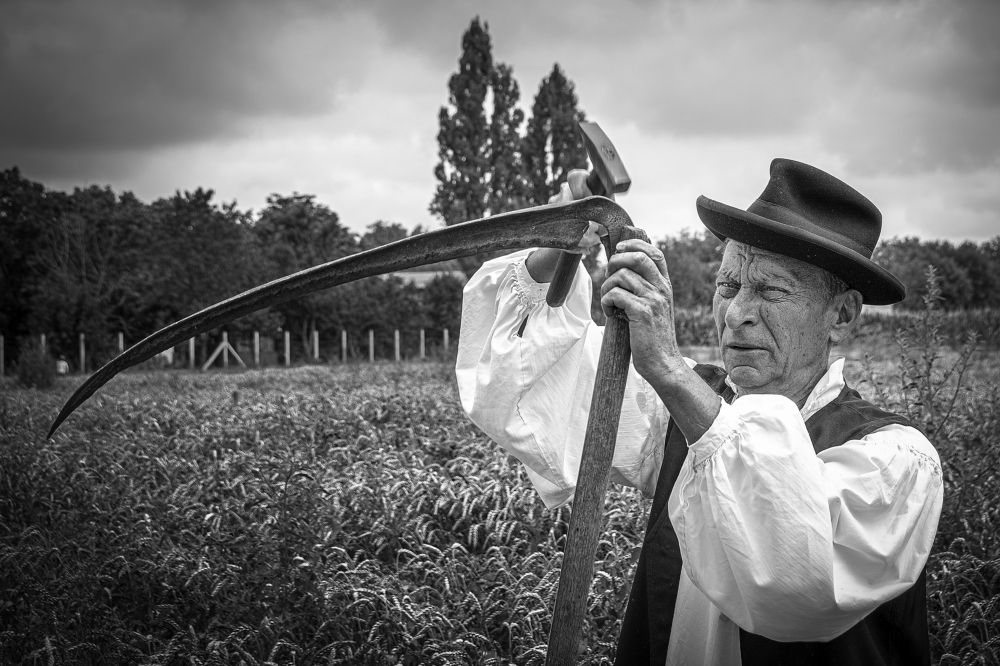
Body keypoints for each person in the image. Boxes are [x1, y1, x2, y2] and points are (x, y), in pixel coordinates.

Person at [456, 158, 943, 665]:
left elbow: (794, 579)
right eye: (728, 285)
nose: (736, 313)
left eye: (771, 290)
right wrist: (550, 252)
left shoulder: (896, 460)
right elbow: (527, 382)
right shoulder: (678, 410)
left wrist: (669, 369)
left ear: (840, 316)